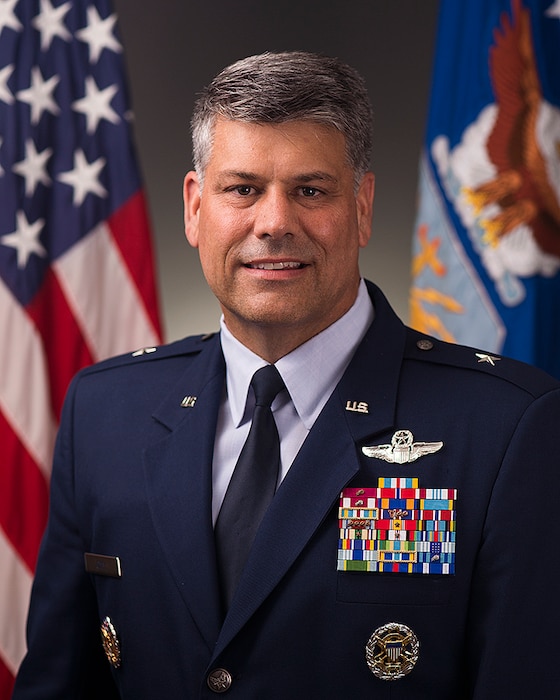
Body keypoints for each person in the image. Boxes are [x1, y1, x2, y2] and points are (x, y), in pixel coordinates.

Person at [13, 51, 560, 699]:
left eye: (310, 190)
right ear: (194, 208)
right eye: (242, 189)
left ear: (361, 206)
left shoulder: (507, 427)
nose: (273, 223)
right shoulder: (105, 411)